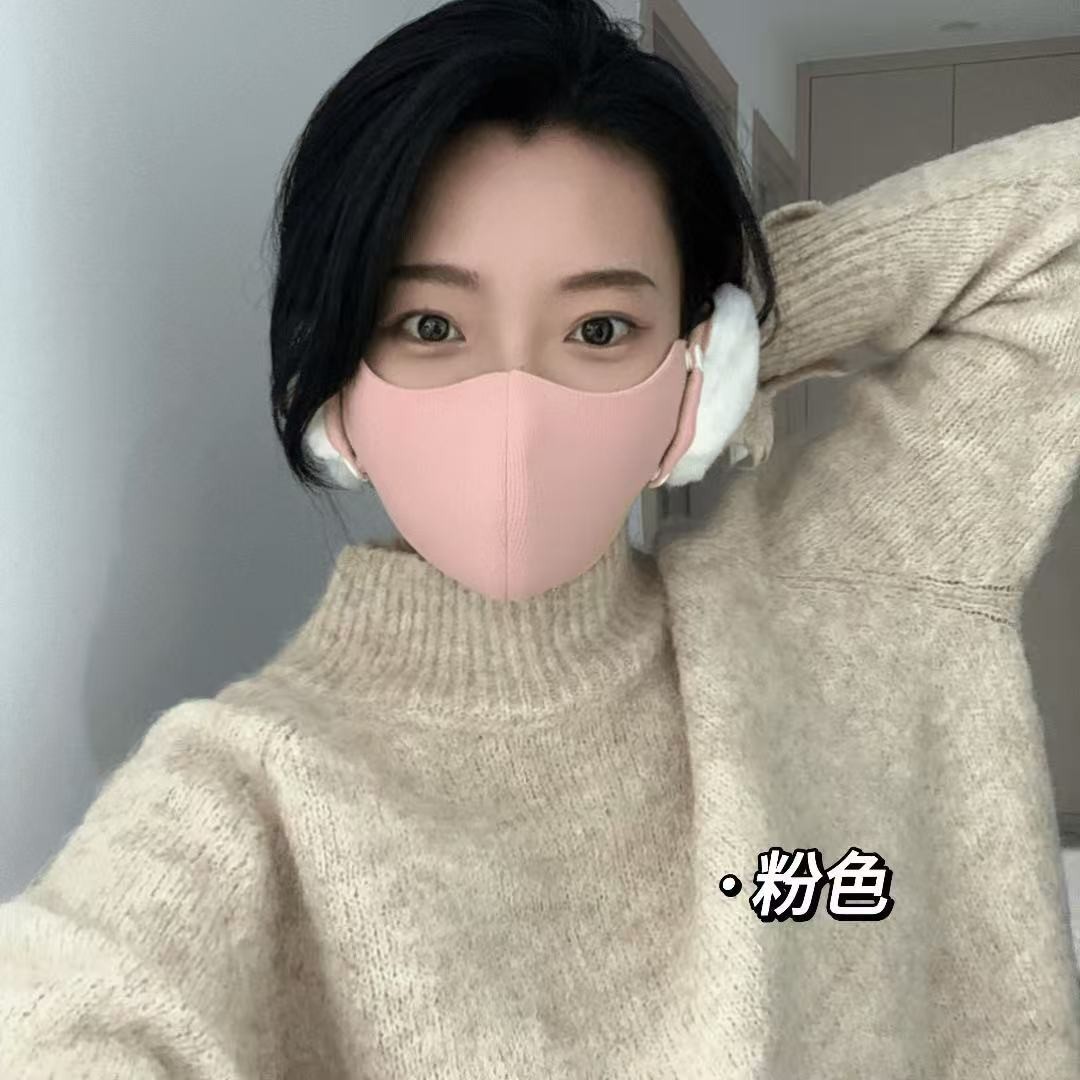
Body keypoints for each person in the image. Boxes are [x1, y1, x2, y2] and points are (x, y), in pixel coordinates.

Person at [2, 0, 1078, 1075]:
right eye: (430, 326)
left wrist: (746, 326)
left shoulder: (840, 595)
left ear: (696, 375)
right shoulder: (242, 791)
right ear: (333, 387)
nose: (514, 411)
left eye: (600, 328)